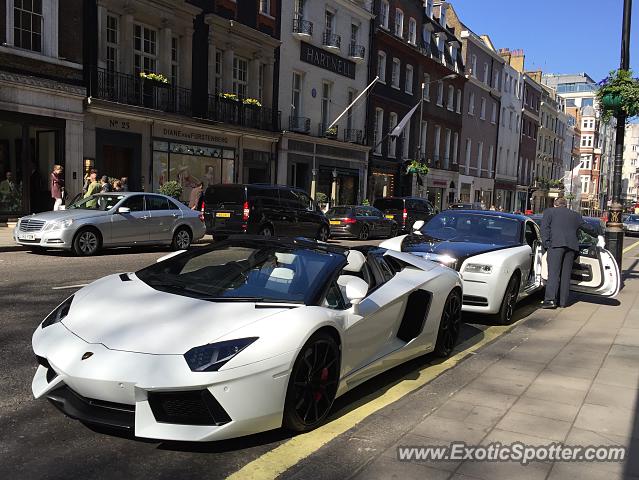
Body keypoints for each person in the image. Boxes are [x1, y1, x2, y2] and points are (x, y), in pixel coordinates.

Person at [540, 197, 596, 309]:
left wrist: (546, 244)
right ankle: (563, 302)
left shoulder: (549, 212)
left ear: (555, 205)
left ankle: (550, 300)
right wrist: (596, 233)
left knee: (554, 274)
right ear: (566, 205)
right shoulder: (575, 215)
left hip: (556, 245)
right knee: (566, 275)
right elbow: (587, 228)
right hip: (571, 247)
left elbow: (544, 229)